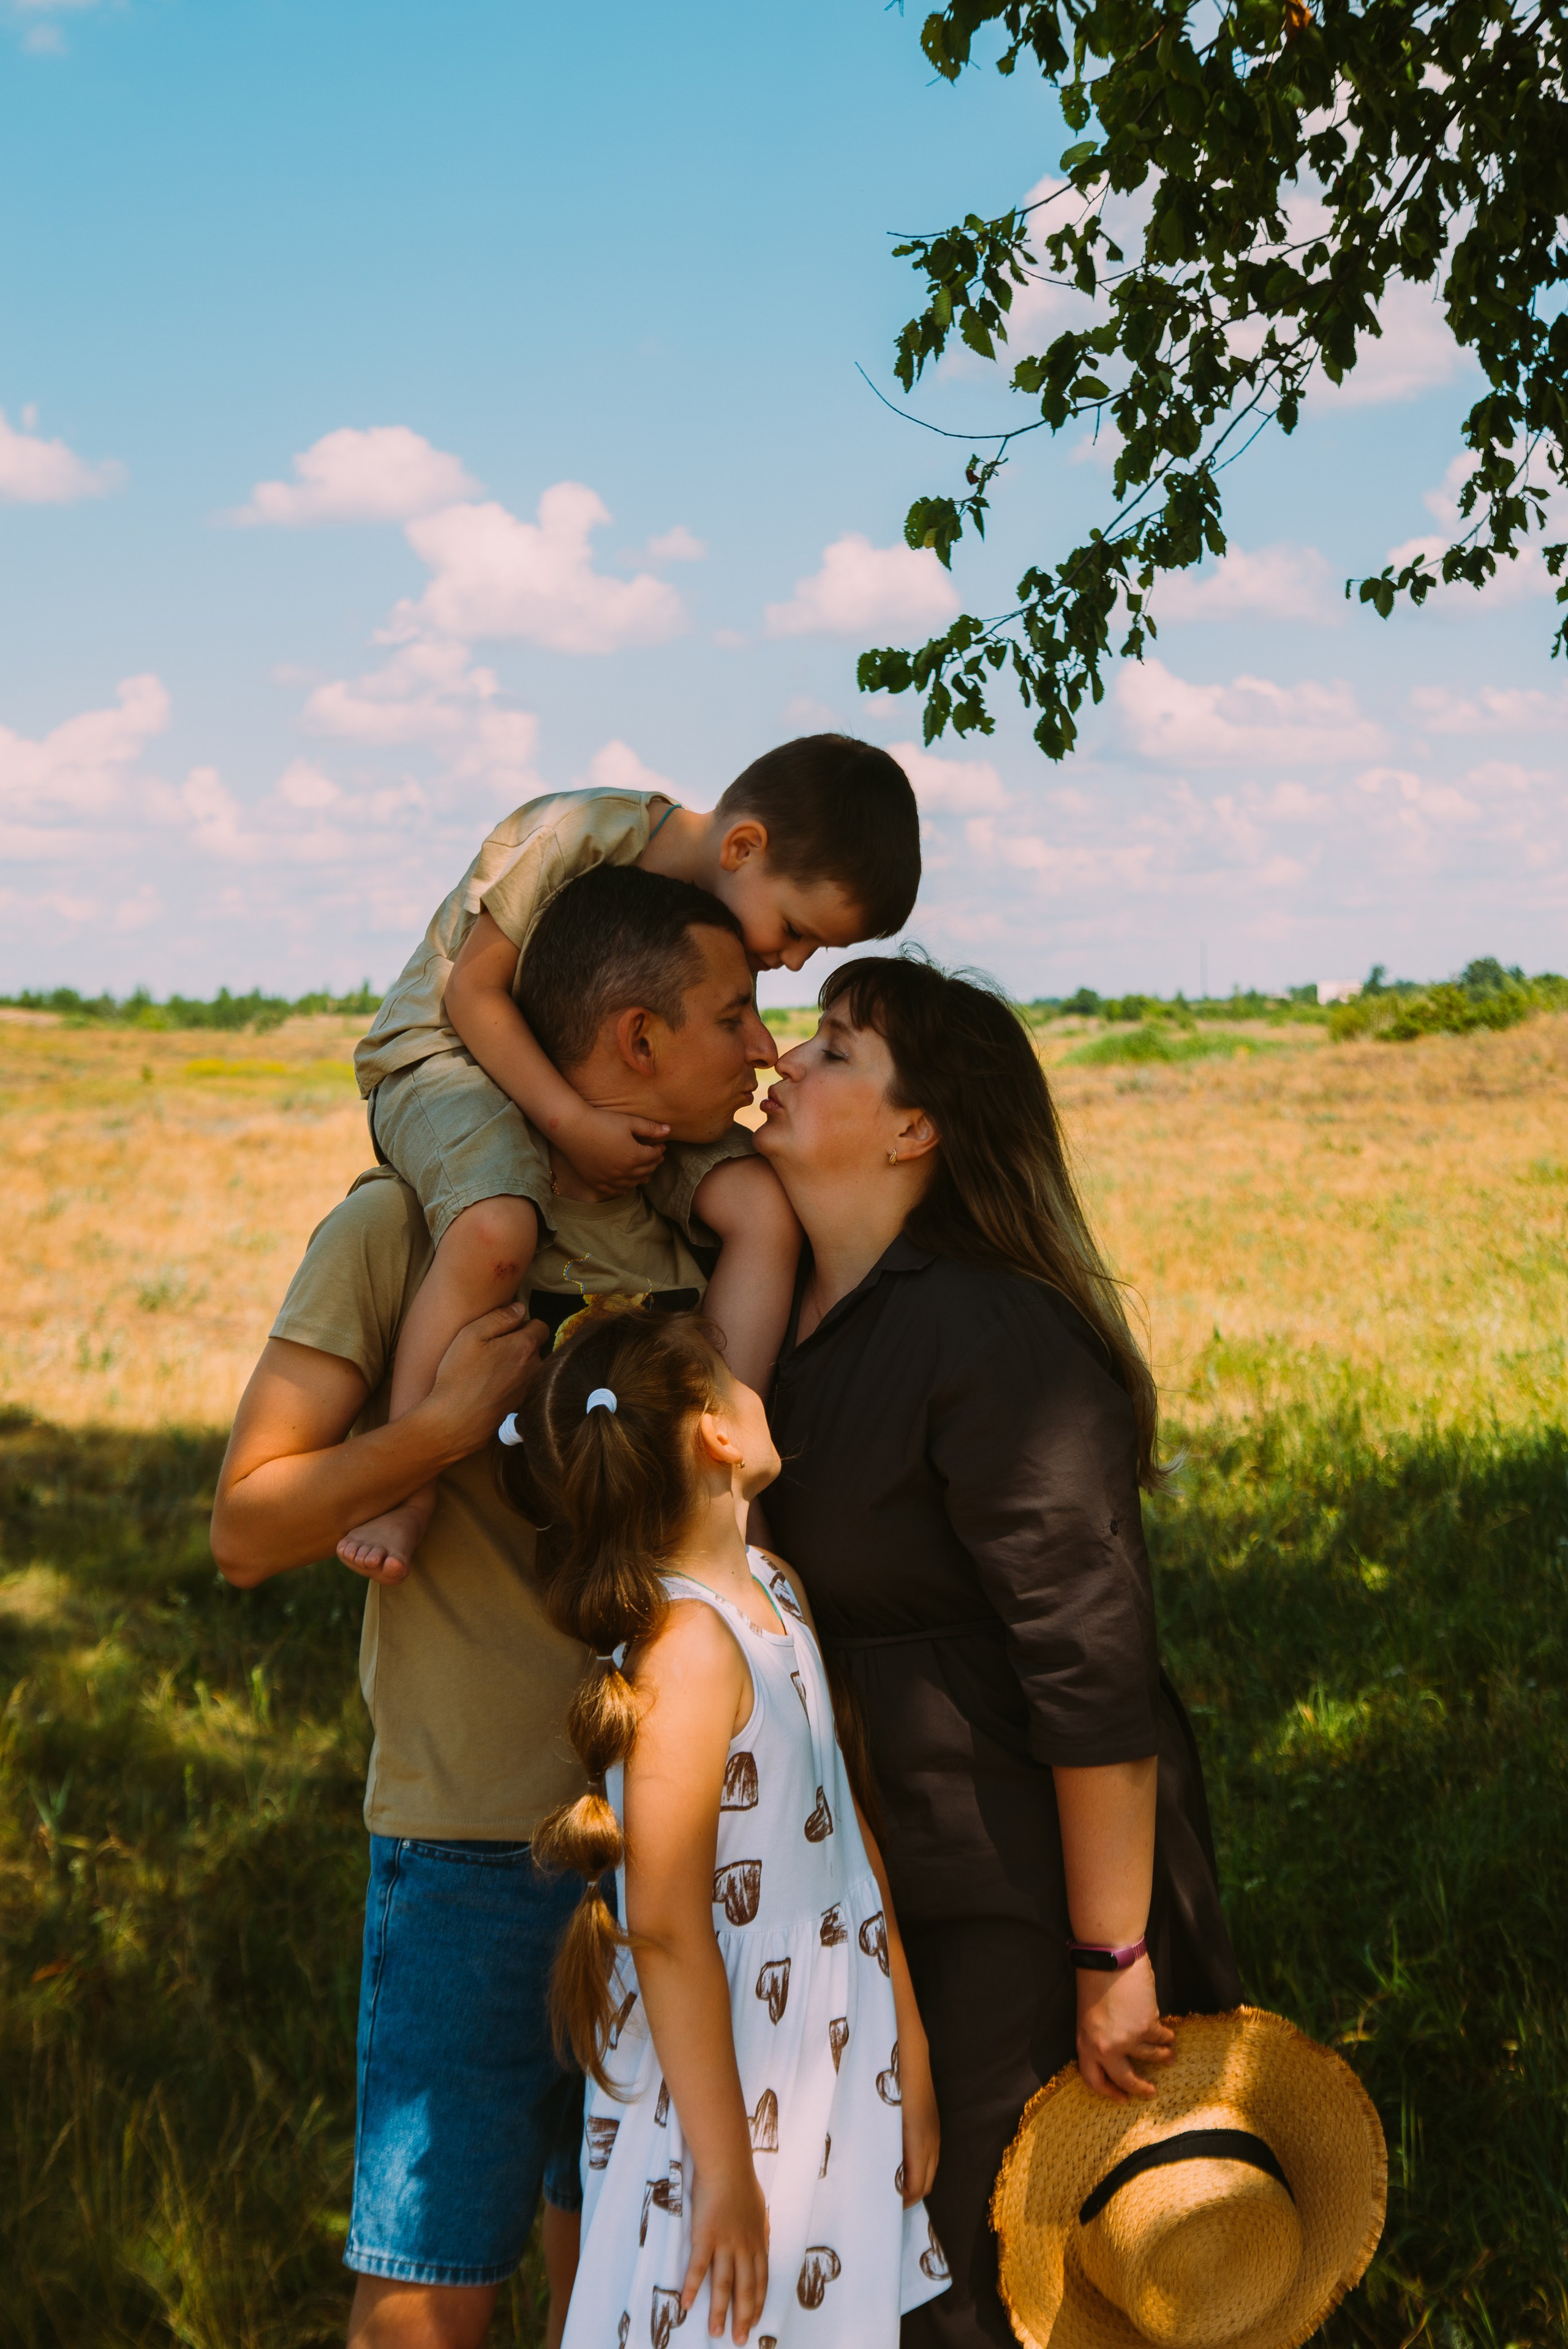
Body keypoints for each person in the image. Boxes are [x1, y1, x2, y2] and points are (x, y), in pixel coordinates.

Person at [209, 869, 789, 2349]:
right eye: (737, 1013)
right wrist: (427, 1436)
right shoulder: (403, 1229)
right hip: (470, 1839)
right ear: (636, 1040)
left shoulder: (691, 1253)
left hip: (661, 1846)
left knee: (611, 2268)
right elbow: (245, 1528)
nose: (765, 1044)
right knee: (429, 2281)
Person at [751, 952, 1242, 2349]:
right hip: (880, 1878)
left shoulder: (988, 1331)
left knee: (993, 2270)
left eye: (836, 1049)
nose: (789, 1057)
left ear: (917, 1129)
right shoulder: (795, 1320)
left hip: (1023, 1892)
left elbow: (1092, 1669)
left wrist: (1112, 1953)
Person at [342, 734, 921, 1577]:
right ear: (743, 846)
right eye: (797, 931)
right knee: (497, 1226)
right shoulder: (580, 832)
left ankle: (719, 1474)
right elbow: (472, 992)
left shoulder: (724, 913)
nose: (792, 961)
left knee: (760, 1210)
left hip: (610, 1094)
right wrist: (571, 1121)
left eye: (814, 953)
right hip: (450, 1060)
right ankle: (407, 1478)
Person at [506, 1303, 949, 2349]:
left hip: (830, 2048)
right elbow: (662, 1924)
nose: (763, 1394)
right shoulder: (688, 1650)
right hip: (726, 2078)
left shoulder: (773, 1594)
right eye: (742, 1381)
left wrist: (910, 2053)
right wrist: (723, 2172)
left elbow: (845, 1830)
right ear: (716, 1432)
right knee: (709, 2316)